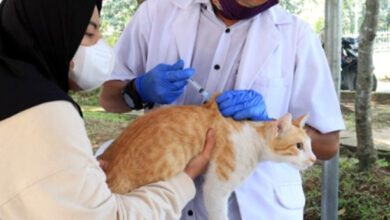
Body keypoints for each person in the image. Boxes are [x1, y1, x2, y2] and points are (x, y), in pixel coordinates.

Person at [99, 0, 346, 219]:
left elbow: (328, 144)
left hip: (253, 207)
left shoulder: (296, 34)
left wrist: (271, 125)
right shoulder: (157, 12)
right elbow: (108, 99)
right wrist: (137, 90)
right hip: (158, 200)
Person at [0, 0, 216, 219]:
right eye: (89, 34)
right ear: (52, 32)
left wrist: (72, 170)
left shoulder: (14, 91)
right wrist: (183, 182)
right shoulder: (46, 112)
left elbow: (30, 183)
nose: (101, 45)